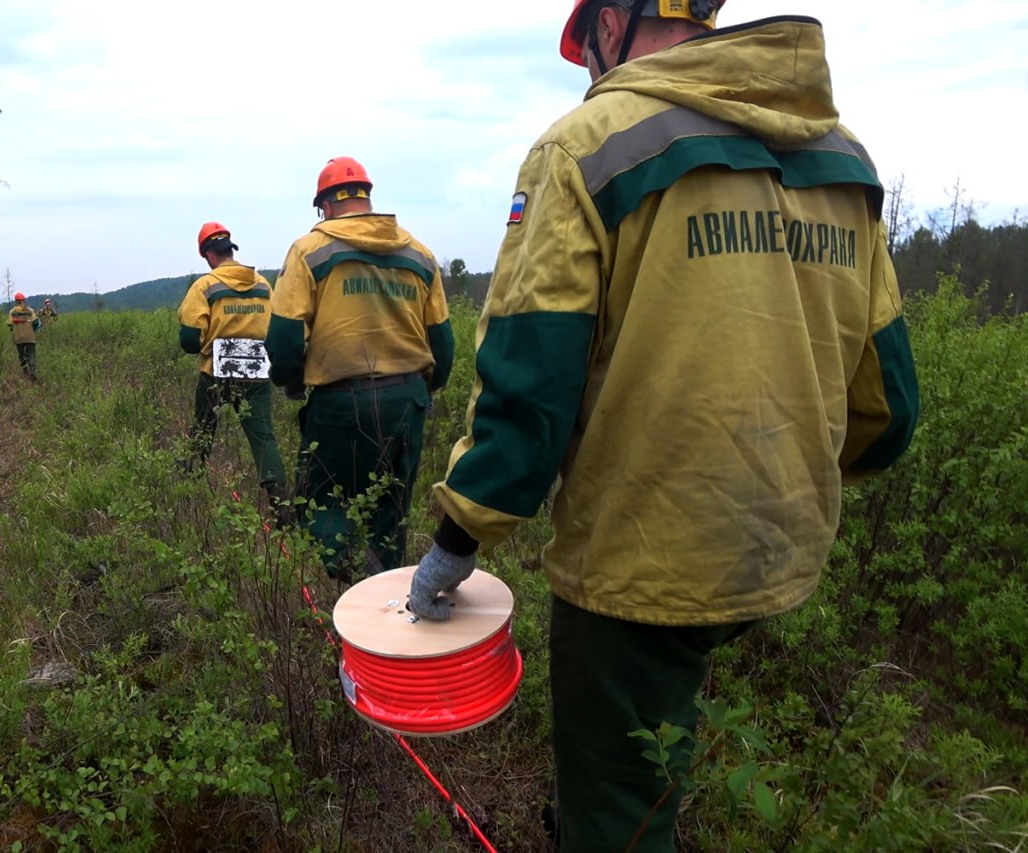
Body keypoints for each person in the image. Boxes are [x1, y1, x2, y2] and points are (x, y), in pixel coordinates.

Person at [407, 3, 921, 851]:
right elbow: (890, 411)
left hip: (640, 565)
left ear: (612, 20)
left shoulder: (588, 144)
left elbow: (531, 385)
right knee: (667, 722)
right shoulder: (845, 160)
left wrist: (458, 536)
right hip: (780, 547)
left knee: (619, 809)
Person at [266, 156, 454, 579]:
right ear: (367, 199)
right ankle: (389, 605)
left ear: (325, 207)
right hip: (408, 400)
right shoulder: (419, 254)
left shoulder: (309, 251)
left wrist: (292, 381)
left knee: (320, 505)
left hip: (338, 403)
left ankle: (356, 577)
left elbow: (282, 340)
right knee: (390, 514)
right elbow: (442, 344)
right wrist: (423, 391)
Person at [179, 222, 289, 521]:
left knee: (203, 430)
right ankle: (282, 509)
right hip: (256, 372)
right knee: (264, 438)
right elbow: (279, 326)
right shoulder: (263, 285)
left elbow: (189, 340)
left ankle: (190, 491)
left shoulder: (205, 286)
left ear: (207, 255)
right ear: (231, 249)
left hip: (215, 372)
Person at [7, 292, 41, 380]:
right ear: (23, 300)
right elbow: (36, 322)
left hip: (18, 338)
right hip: (30, 337)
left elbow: (9, 325)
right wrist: (32, 330)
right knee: (31, 355)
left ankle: (25, 372)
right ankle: (32, 372)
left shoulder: (12, 312)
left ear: (16, 301)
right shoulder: (29, 310)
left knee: (22, 356)